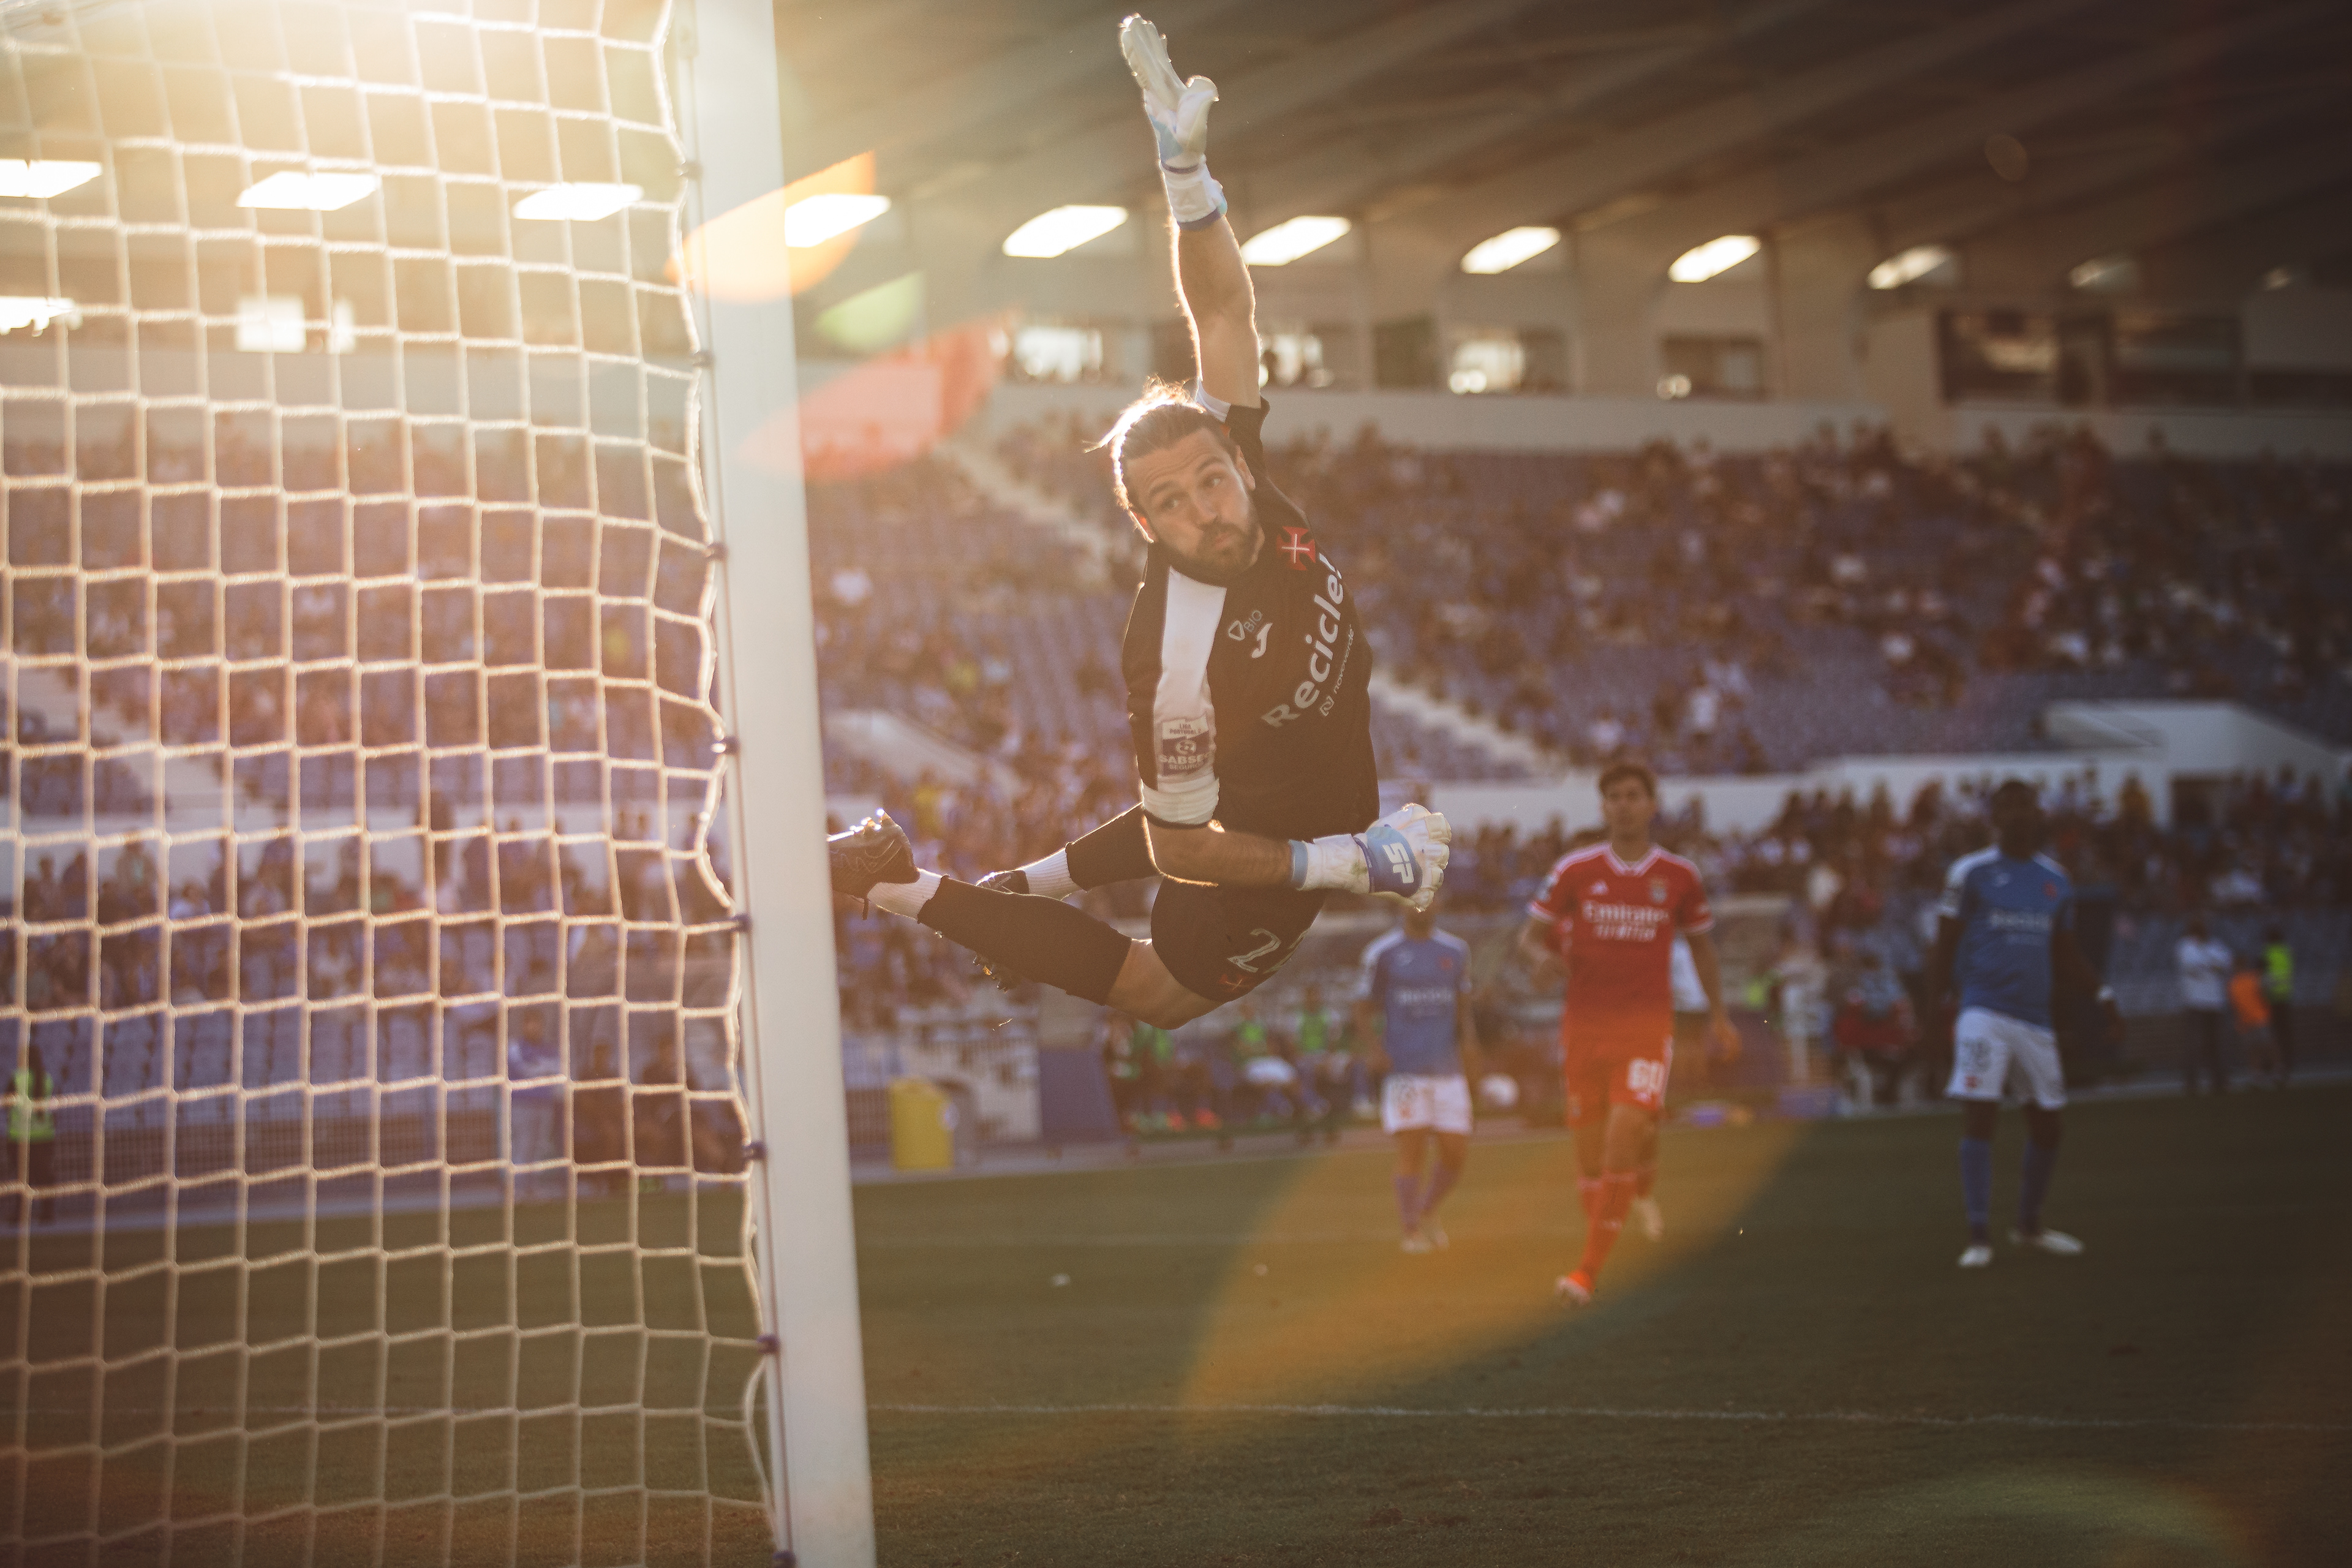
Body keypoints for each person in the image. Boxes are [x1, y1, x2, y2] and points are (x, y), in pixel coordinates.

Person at [829, 18, 1449, 1029]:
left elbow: (1224, 315)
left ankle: (941, 885)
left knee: (1159, 858)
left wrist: (1187, 179)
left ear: (1237, 462)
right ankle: (900, 890)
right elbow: (1180, 848)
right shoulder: (1174, 658)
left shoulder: (1245, 467)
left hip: (1279, 794)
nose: (1205, 510)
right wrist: (1347, 864)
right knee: (1161, 994)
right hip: (1269, 845)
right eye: (1171, 504)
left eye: (1211, 481)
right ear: (1145, 527)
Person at [1520, 762, 1740, 1305]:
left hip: (1646, 1028)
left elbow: (1703, 949)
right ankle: (1630, 1203)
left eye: (1634, 795)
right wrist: (1539, 959)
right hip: (1584, 1029)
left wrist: (1719, 1015)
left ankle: (1588, 1272)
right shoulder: (1575, 869)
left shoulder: (1679, 876)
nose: (1624, 804)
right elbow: (1530, 937)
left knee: (1622, 1132)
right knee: (1592, 1156)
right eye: (1614, 796)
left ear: (1651, 805)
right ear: (1604, 807)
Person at [1923, 780, 2121, 1270]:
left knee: (2049, 1126)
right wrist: (1934, 1012)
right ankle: (1979, 1237)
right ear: (1994, 817)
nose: (2017, 815)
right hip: (1983, 1010)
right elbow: (1944, 946)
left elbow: (2066, 952)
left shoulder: (2056, 880)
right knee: (1980, 1115)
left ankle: (2029, 1226)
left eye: (2025, 806)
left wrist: (2103, 995)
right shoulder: (1970, 872)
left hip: (2035, 1018)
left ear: (2038, 814)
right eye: (2007, 807)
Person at [1355, 902, 1481, 1253]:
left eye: (1430, 897)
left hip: (1447, 1068)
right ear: (1402, 904)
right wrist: (1374, 1049)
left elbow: (1463, 1006)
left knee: (1455, 1152)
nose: (1423, 905)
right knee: (1412, 1149)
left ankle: (1427, 1210)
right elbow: (1362, 1008)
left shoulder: (1455, 950)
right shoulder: (1383, 953)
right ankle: (1411, 1231)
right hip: (1405, 1070)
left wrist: (1470, 1045)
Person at [2174, 916, 2232, 1095]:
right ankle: (2192, 1084)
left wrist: (2208, 964)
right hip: (2195, 1002)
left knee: (2217, 1044)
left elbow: (2226, 964)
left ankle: (2219, 1082)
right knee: (2194, 1045)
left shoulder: (2216, 945)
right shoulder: (2185, 946)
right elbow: (2192, 966)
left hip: (2215, 1003)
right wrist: (2211, 965)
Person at [5, 1043, 58, 1227]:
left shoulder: (17, 1077)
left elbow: (6, 1103)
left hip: (19, 1136)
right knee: (44, 1176)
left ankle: (20, 1215)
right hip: (44, 1136)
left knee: (22, 1178)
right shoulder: (47, 1078)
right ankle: (47, 1213)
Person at [2229, 955, 2283, 1089]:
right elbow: (2235, 1005)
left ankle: (2278, 1071)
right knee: (2252, 1049)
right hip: (2246, 1022)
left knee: (2268, 1045)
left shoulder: (2254, 978)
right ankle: (2257, 1076)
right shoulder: (2233, 983)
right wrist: (2239, 1021)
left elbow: (2271, 986)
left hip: (2261, 1019)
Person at [2261, 924, 2296, 1084]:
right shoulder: (2287, 951)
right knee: (2285, 1033)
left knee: (2272, 1035)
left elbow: (2263, 976)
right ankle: (2288, 1063)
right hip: (2285, 997)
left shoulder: (2267, 952)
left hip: (2271, 1000)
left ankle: (2273, 1065)